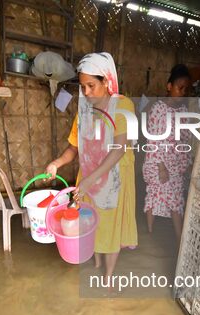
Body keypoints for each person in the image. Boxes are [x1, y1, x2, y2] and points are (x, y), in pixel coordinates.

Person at [46, 52, 137, 283]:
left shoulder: (123, 106)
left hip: (113, 177)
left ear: (106, 81)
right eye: (83, 86)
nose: (86, 92)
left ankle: (107, 276)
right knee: (89, 222)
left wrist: (89, 180)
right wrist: (57, 163)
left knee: (110, 226)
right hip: (88, 177)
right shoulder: (83, 113)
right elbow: (73, 149)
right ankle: (95, 261)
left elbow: (118, 149)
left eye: (91, 85)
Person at [142, 64, 193, 242]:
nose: (183, 92)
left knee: (176, 199)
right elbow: (153, 140)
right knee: (154, 194)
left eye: (186, 89)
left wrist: (186, 163)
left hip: (175, 163)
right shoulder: (157, 109)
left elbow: (184, 140)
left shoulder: (184, 112)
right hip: (157, 162)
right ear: (169, 86)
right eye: (180, 87)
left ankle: (179, 240)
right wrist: (161, 166)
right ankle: (149, 232)